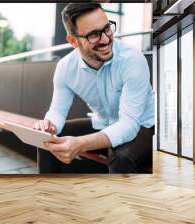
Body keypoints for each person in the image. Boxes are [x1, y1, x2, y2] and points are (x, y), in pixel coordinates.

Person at [33, 3, 155, 173]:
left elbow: (128, 125)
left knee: (121, 156)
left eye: (107, 28)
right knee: (47, 140)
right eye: (94, 35)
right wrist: (49, 125)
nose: (105, 39)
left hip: (144, 125)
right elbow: (57, 112)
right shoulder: (65, 67)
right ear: (73, 41)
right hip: (105, 123)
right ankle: (48, 195)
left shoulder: (132, 60)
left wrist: (80, 143)